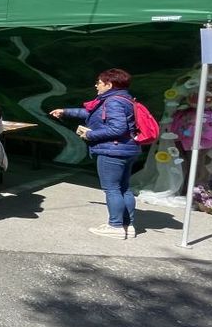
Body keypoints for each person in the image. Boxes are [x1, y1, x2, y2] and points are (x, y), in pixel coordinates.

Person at [49, 68, 142, 238]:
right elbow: (93, 114)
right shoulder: (124, 99)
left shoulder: (113, 101)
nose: (96, 85)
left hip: (112, 151)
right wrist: (66, 111)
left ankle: (115, 226)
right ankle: (127, 225)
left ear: (109, 84)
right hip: (127, 149)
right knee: (124, 188)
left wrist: (90, 134)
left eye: (99, 82)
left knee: (112, 189)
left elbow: (117, 128)